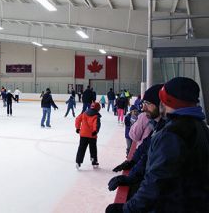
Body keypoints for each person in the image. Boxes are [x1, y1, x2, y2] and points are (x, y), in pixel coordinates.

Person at [106, 78, 209, 213]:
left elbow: (157, 182)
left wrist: (126, 210)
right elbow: (148, 150)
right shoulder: (200, 126)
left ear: (166, 101)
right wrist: (131, 175)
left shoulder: (172, 133)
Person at [108, 84, 166, 195]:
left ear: (161, 105)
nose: (143, 108)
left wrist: (127, 209)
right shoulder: (159, 124)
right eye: (143, 104)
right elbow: (146, 146)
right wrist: (132, 162)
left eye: (148, 104)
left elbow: (157, 177)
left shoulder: (169, 130)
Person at [75, 102, 101, 169]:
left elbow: (77, 119)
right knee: (93, 149)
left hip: (83, 134)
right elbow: (96, 124)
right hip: (92, 135)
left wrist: (78, 128)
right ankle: (94, 162)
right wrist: (95, 131)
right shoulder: (96, 116)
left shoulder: (84, 113)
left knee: (81, 148)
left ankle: (78, 162)